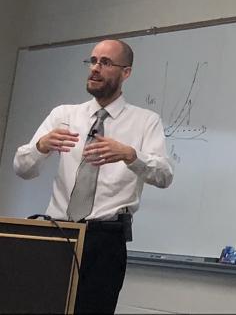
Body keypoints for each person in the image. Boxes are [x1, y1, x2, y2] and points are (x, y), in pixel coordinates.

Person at [13, 39, 173, 314]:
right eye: (93, 61)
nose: (95, 68)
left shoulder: (145, 121)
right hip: (58, 232)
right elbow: (23, 168)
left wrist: (130, 154)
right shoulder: (64, 115)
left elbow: (164, 175)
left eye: (106, 62)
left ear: (126, 72)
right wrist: (41, 146)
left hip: (105, 239)